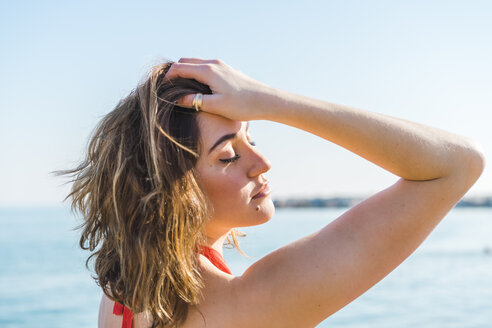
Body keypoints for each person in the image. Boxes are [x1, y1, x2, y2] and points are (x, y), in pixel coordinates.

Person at [60, 58, 485, 328]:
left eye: (253, 138)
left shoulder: (126, 294)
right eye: (228, 156)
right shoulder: (252, 306)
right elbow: (457, 164)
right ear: (174, 190)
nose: (262, 164)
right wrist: (271, 100)